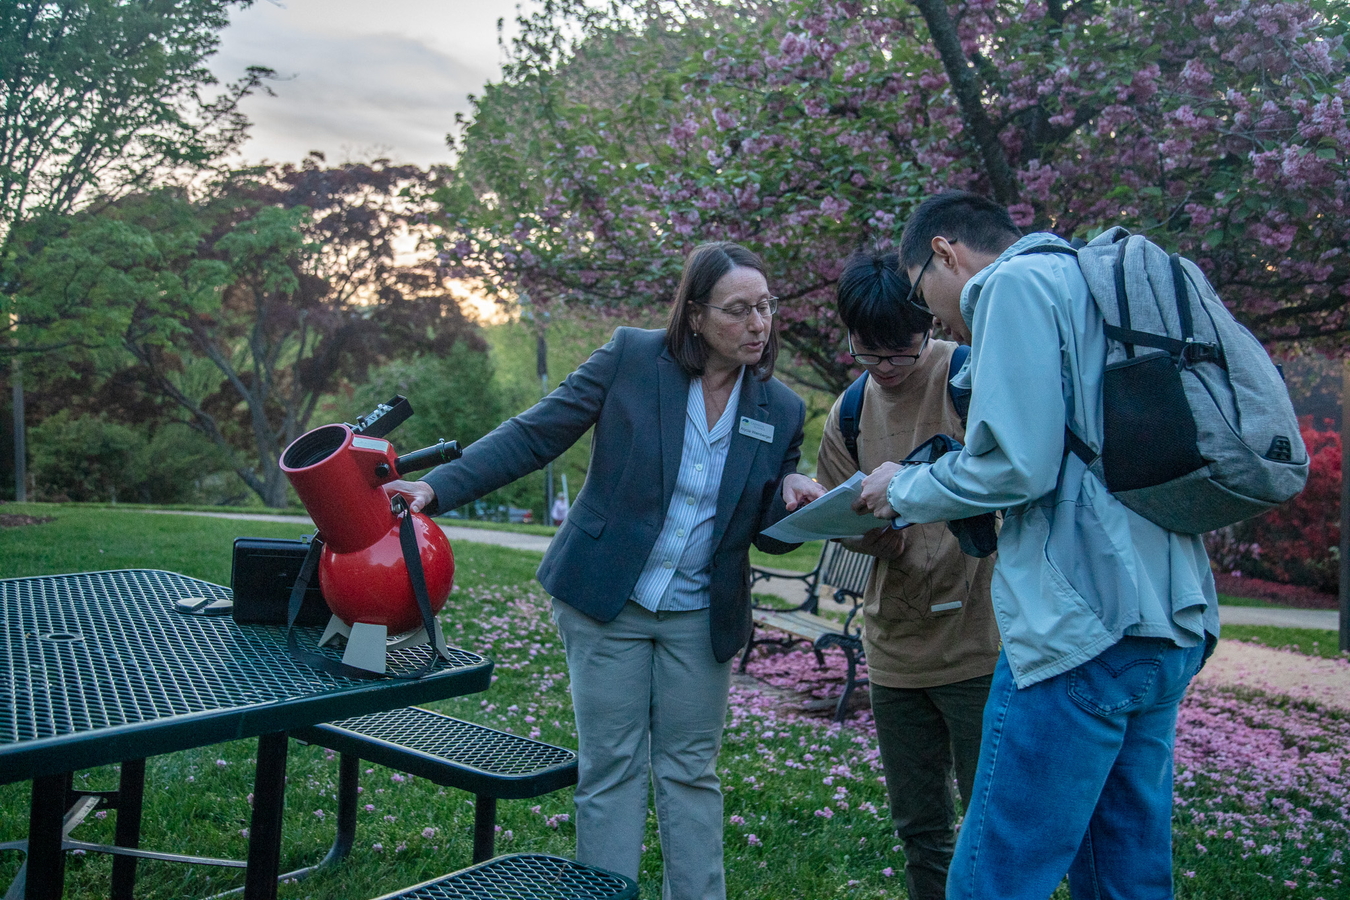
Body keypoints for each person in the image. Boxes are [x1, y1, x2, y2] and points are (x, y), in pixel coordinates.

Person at [385, 241, 825, 900]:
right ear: (696, 314)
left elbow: (761, 530)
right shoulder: (629, 358)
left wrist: (792, 503)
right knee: (612, 766)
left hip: (700, 614)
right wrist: (437, 488)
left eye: (766, 307)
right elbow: (536, 435)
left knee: (689, 772)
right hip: (606, 602)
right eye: (739, 310)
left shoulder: (781, 410)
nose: (758, 325)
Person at [854, 191, 1220, 900]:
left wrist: (903, 486)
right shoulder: (1095, 282)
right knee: (1125, 873)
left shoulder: (1014, 284)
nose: (932, 318)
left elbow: (1013, 464)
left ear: (943, 251)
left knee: (996, 877)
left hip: (1077, 629)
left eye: (923, 296)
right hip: (1169, 618)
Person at [814, 246, 998, 900]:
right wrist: (857, 532)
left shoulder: (971, 378)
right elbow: (845, 532)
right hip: (894, 649)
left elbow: (1014, 483)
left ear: (930, 327)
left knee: (990, 830)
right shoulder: (848, 411)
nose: (887, 367)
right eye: (870, 352)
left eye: (902, 349)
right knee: (921, 829)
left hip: (981, 644)